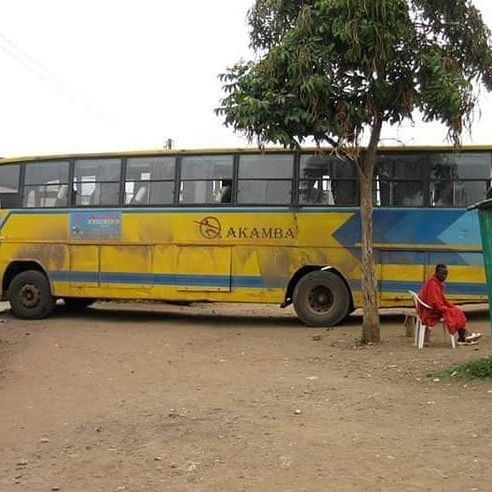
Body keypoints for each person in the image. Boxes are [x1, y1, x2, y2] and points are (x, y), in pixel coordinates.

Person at [418, 264, 482, 346]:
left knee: (455, 310)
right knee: (454, 312)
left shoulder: (435, 282)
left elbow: (439, 299)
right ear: (436, 273)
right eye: (442, 274)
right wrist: (444, 308)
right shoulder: (433, 284)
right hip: (430, 311)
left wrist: (448, 306)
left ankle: (463, 336)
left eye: (446, 274)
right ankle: (463, 336)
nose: (444, 276)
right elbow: (434, 301)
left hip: (432, 308)